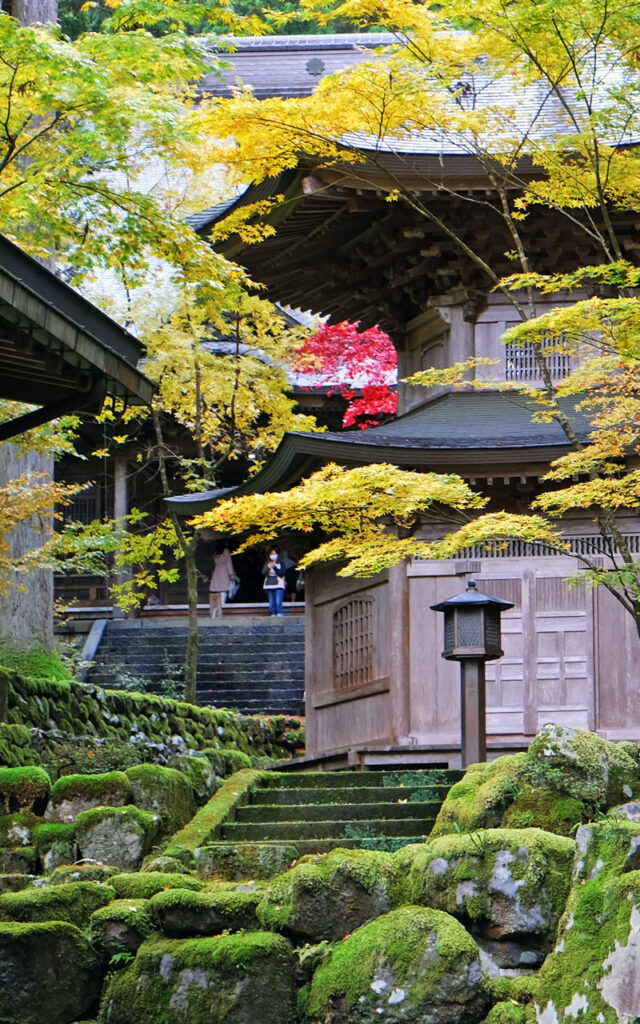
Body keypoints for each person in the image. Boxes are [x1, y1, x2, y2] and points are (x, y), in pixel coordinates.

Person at [209, 543, 235, 618]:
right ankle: (221, 607)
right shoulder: (226, 551)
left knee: (217, 591)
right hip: (225, 572)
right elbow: (228, 563)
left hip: (217, 572)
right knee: (223, 591)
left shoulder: (215, 553)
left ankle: (216, 609)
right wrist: (231, 574)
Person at [262, 546, 286, 617]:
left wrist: (274, 567)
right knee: (271, 602)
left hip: (279, 584)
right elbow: (263, 573)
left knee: (278, 601)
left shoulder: (281, 563)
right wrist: (269, 567)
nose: (273, 555)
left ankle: (279, 613)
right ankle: (273, 613)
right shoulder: (267, 563)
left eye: (274, 554)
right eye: (271, 554)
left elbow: (282, 573)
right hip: (269, 584)